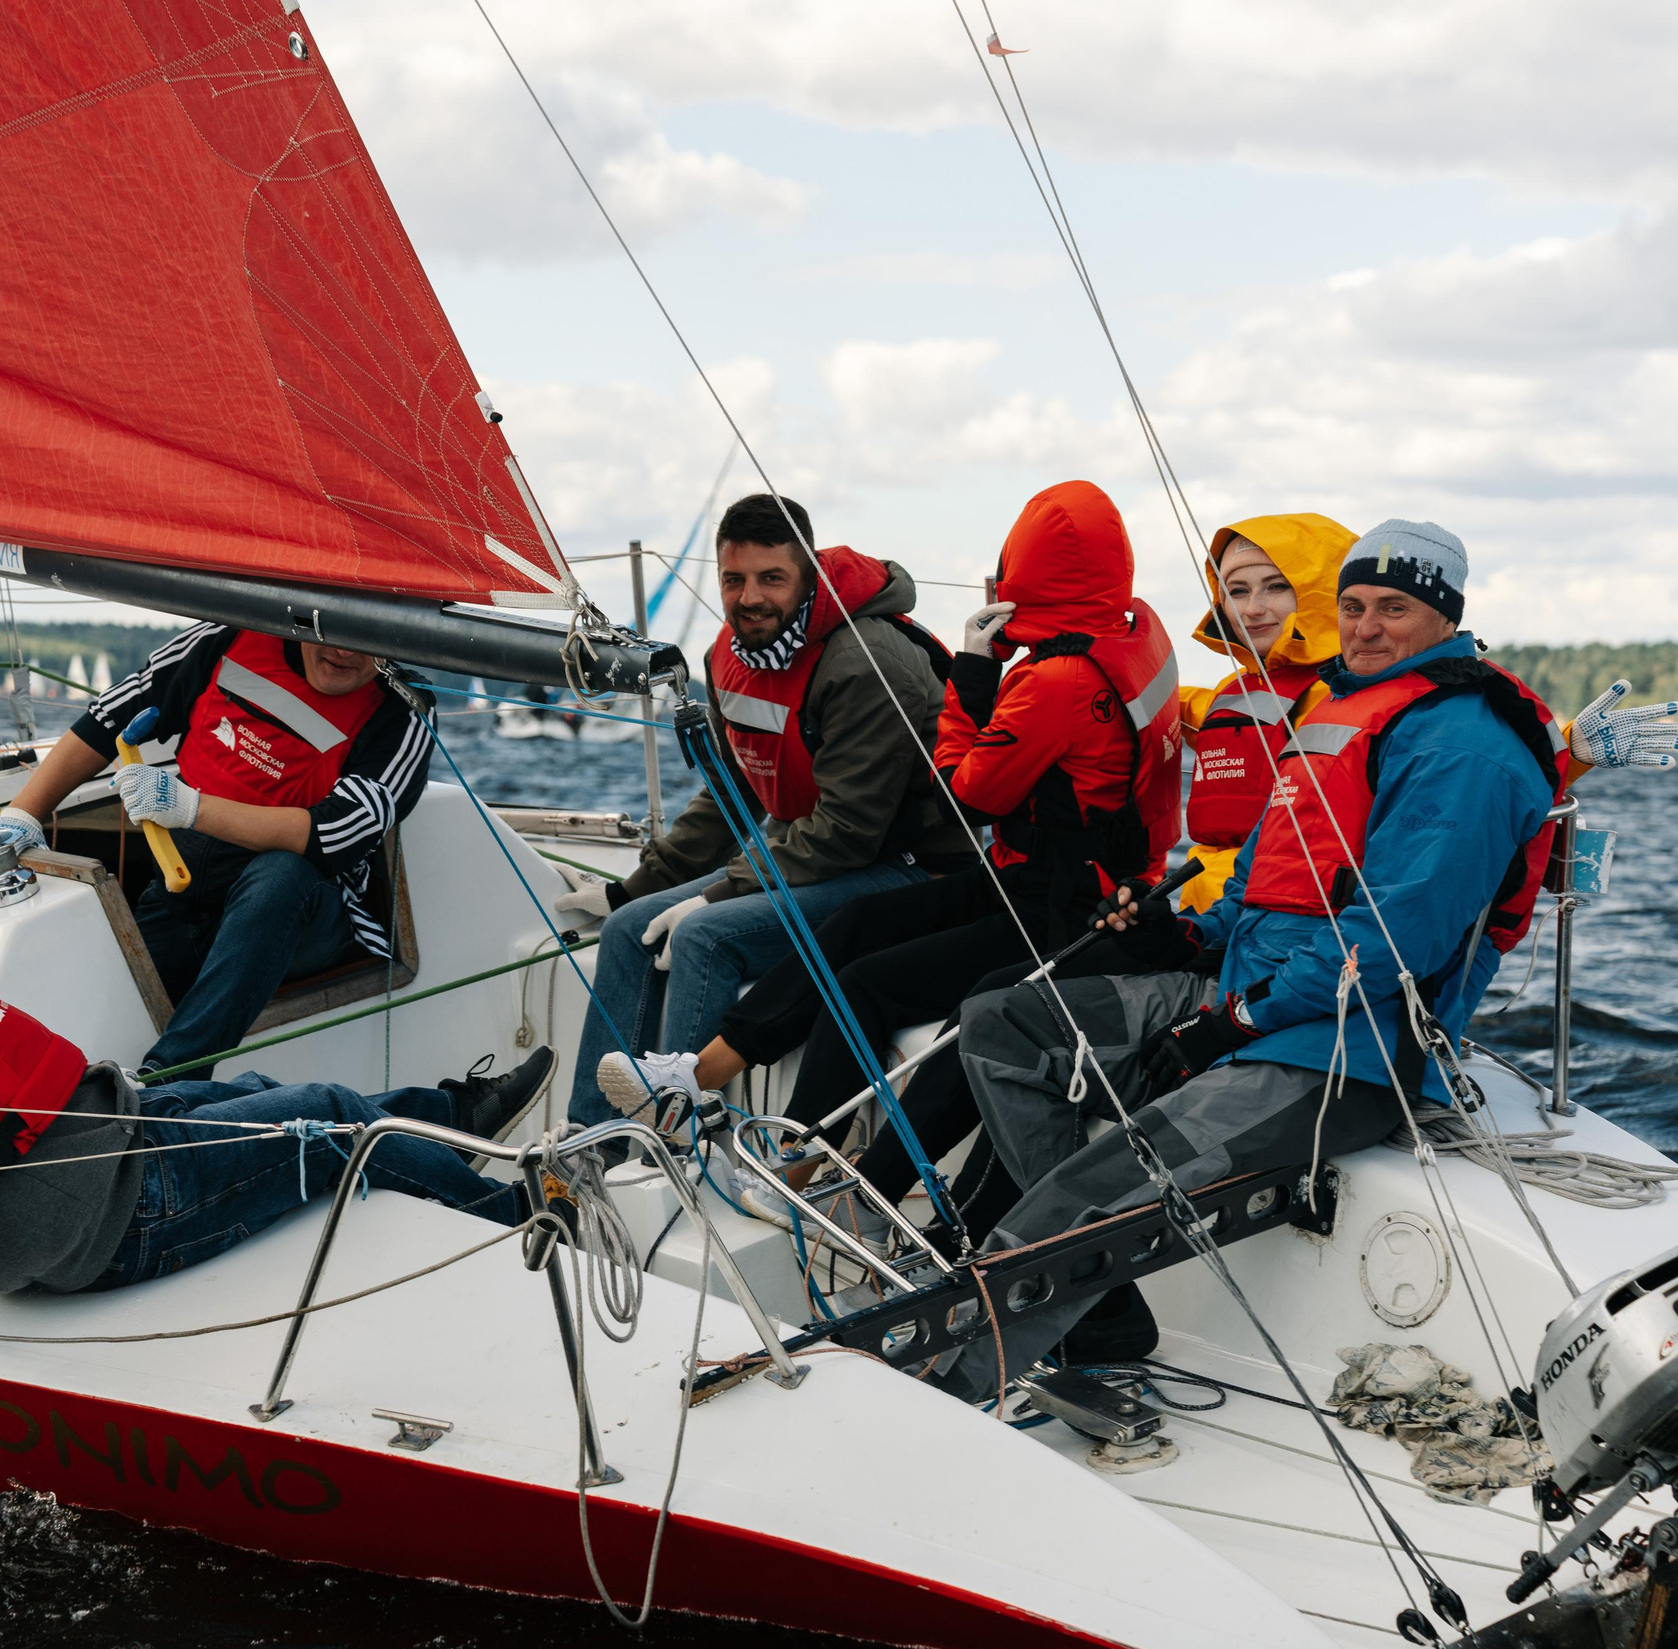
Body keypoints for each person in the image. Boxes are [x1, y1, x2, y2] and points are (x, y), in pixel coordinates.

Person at [933, 519, 1571, 1400]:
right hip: (1250, 991)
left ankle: (946, 1384)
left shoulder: (1466, 742)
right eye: (1352, 605)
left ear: (1445, 616)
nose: (1366, 626)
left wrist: (1229, 1021)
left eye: (1394, 607)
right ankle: (1100, 1302)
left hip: (1342, 1048)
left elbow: (1387, 945)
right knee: (1003, 1024)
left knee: (1100, 1182)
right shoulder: (1346, 709)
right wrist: (1183, 933)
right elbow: (1273, 879)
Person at [592, 480, 1182, 1181]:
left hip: (1062, 905)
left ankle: (804, 1161)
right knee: (855, 928)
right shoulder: (1133, 632)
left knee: (876, 981)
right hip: (1049, 879)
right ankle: (694, 1074)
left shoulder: (1052, 681)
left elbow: (963, 795)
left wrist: (971, 674)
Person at [0, 866, 554, 1295]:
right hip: (113, 1214)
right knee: (326, 1120)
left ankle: (457, 1116)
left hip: (97, 1139)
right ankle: (527, 1228)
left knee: (238, 1085)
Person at [553, 493, 973, 1127]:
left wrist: (721, 893)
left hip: (914, 868)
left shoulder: (866, 663)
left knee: (703, 935)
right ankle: (593, 1142)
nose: (750, 597)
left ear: (806, 575)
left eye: (771, 578)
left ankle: (684, 1146)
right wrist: (637, 887)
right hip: (820, 857)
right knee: (627, 930)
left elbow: (847, 834)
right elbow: (736, 789)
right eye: (733, 579)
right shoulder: (730, 654)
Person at [0, 625, 434, 1079]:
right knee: (90, 990)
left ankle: (167, 1084)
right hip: (185, 893)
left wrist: (187, 807)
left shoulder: (403, 711)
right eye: (333, 633)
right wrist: (22, 816)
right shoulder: (226, 638)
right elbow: (110, 718)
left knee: (282, 875)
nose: (346, 652)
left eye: (367, 640)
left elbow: (338, 832)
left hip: (303, 917)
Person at [1174, 514, 1355, 914]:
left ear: (1322, 594)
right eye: (1237, 591)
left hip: (1285, 919)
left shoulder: (1351, 695)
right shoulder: (1236, 689)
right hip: (1203, 913)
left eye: (1276, 587)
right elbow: (1183, 706)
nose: (1253, 609)